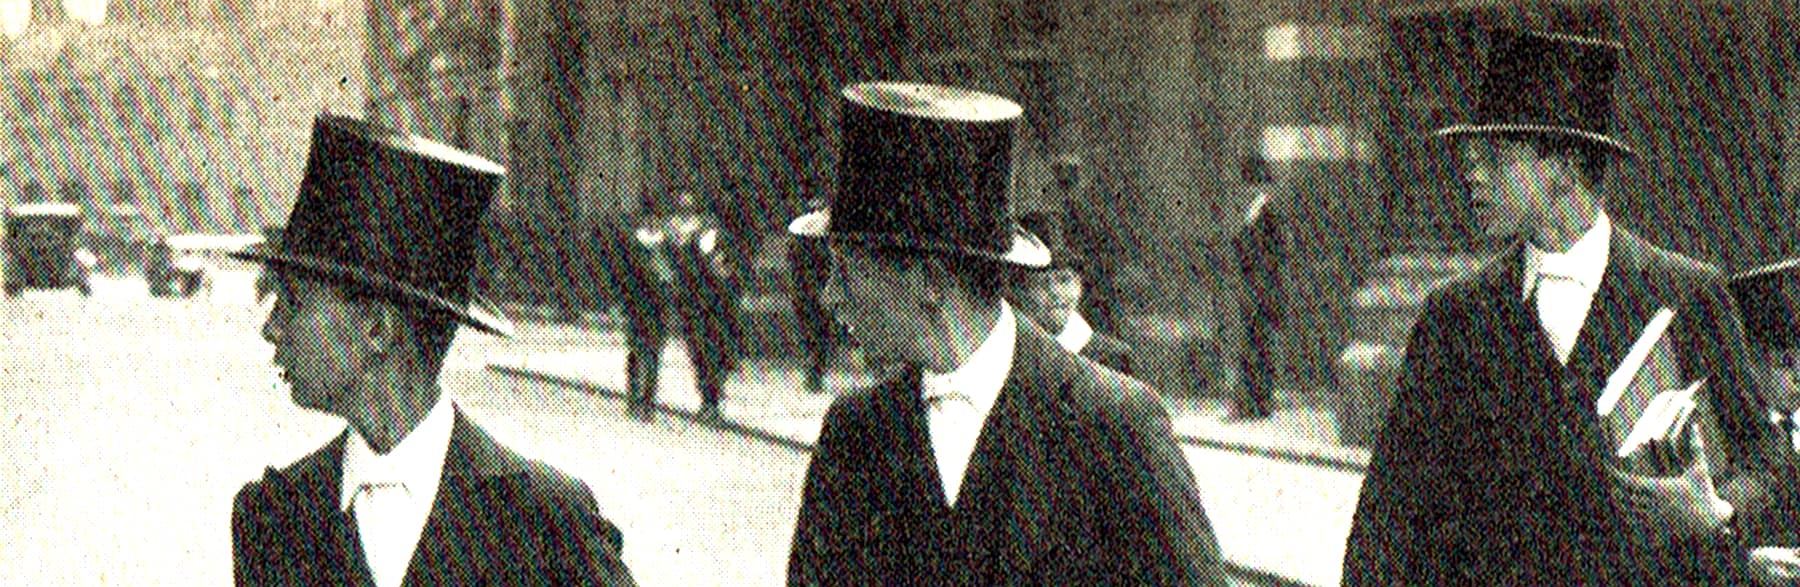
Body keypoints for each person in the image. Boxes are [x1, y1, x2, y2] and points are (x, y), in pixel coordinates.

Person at [1342, 30, 1793, 585]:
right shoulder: (1455, 315)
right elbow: (1389, 515)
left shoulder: (1687, 294)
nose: (1472, 173)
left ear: (1562, 168)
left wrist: (1719, 510)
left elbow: (1770, 461)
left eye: (1496, 157)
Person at [785, 81, 1224, 586]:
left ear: (928, 279)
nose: (829, 295)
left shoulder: (1114, 424)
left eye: (847, 270)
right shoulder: (853, 434)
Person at [229, 114, 637, 586]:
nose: (271, 328)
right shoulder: (274, 519)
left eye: (293, 302)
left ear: (378, 329)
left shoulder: (546, 522)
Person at [632, 190, 740, 421]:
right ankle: (709, 401)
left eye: (691, 210)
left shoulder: (717, 239)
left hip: (716, 305)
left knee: (715, 352)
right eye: (683, 210)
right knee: (700, 352)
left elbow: (731, 272)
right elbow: (675, 269)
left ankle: (712, 399)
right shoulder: (684, 241)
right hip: (693, 305)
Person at [1005, 208, 1134, 375]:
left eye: (1064, 280)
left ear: (1079, 285)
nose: (1055, 292)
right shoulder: (1006, 355)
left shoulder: (1109, 357)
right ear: (1020, 291)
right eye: (1042, 283)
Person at [1228, 154, 1289, 420]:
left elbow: (1275, 254)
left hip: (1263, 291)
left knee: (1260, 346)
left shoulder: (1269, 212)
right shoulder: (1253, 212)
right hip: (1252, 289)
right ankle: (1251, 402)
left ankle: (1260, 403)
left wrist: (1261, 290)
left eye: (1250, 183)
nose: (1247, 189)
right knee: (1252, 345)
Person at [619, 210, 677, 422]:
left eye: (656, 218)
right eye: (649, 218)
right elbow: (624, 277)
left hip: (659, 307)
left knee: (653, 355)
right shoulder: (634, 244)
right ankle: (634, 396)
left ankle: (648, 402)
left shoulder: (666, 245)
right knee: (636, 352)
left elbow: (675, 273)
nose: (653, 222)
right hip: (637, 306)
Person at [788, 196, 836, 392]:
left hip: (804, 289)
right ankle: (815, 372)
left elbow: (793, 261)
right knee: (821, 332)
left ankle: (813, 372)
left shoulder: (798, 233)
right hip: (819, 289)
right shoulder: (825, 235)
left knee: (811, 331)